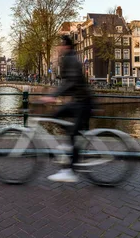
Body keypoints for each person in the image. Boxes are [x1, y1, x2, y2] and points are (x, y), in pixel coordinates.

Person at [39, 34, 94, 183]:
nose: (59, 48)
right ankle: (68, 143)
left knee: (74, 135)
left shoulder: (72, 60)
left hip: (84, 103)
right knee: (56, 114)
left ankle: (69, 171)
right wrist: (55, 95)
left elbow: (71, 82)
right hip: (78, 101)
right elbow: (68, 83)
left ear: (67, 46)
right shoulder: (68, 59)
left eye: (61, 45)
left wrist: (53, 95)